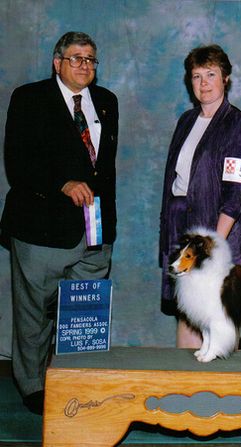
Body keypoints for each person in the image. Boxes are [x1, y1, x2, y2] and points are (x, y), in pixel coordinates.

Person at [0, 31, 118, 414]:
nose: (85, 65)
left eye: (91, 59)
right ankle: (33, 385)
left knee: (83, 314)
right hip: (40, 227)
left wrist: (106, 221)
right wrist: (62, 183)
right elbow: (18, 162)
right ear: (58, 62)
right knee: (34, 313)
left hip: (95, 229)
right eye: (76, 58)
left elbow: (104, 170)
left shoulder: (107, 102)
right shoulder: (30, 99)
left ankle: (75, 378)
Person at [159, 44, 241, 349]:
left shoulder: (239, 126)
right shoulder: (186, 121)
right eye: (196, 76)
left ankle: (227, 393)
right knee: (189, 311)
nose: (203, 83)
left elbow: (236, 193)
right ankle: (184, 390)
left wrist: (215, 246)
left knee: (220, 316)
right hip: (183, 228)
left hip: (219, 234)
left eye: (211, 74)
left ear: (225, 78)